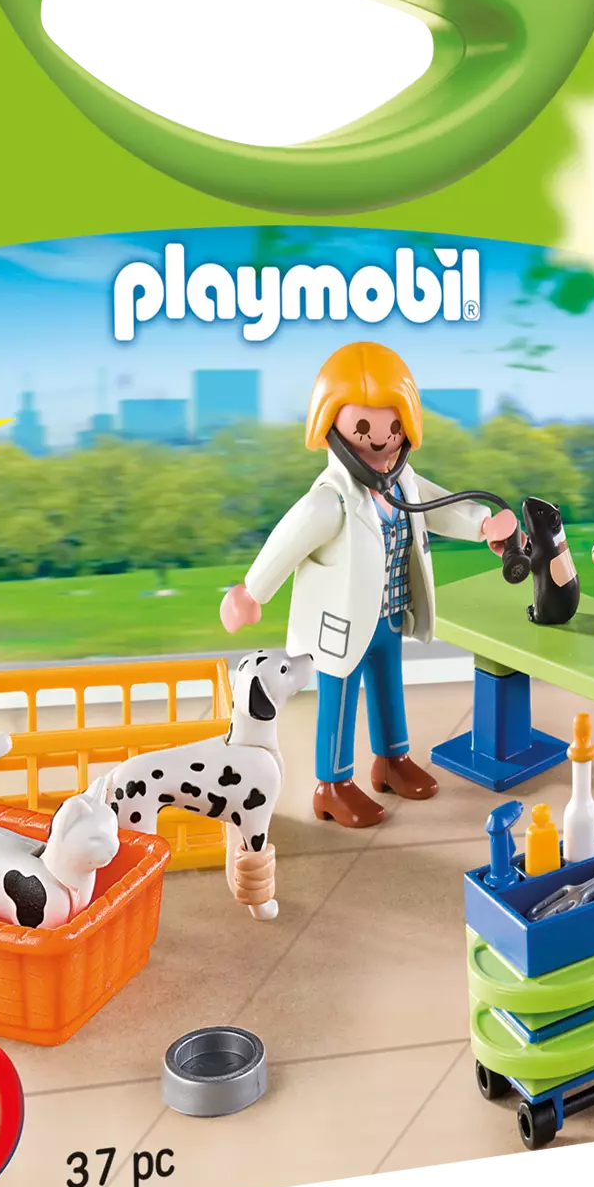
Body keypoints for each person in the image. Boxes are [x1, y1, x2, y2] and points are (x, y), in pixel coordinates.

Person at [220, 341, 516, 828]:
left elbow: (440, 506)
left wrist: (482, 524)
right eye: (362, 429)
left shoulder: (404, 483)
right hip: (342, 626)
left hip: (390, 614)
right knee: (339, 703)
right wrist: (253, 592)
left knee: (388, 688)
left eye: (393, 428)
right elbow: (287, 540)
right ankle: (333, 785)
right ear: (330, 425)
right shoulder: (331, 500)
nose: (381, 442)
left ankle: (392, 760)